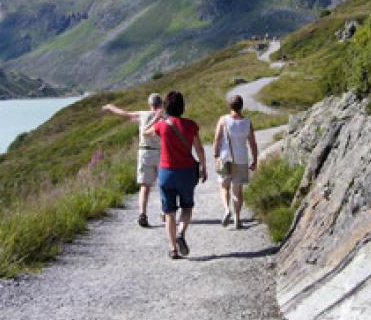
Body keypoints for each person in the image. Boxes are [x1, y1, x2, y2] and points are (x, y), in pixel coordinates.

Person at [144, 91, 207, 259]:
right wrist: (204, 167)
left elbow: (145, 132)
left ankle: (173, 249)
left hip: (166, 173)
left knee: (169, 212)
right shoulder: (191, 125)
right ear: (183, 107)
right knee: (187, 207)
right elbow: (199, 149)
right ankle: (181, 233)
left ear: (166, 107)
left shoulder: (162, 125)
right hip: (186, 172)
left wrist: (158, 117)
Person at [102, 93, 164, 227]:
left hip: (145, 152)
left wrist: (110, 107)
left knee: (145, 186)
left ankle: (143, 214)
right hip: (161, 153)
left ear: (150, 104)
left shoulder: (143, 114)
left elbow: (125, 114)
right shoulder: (165, 116)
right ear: (161, 104)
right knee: (163, 185)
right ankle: (165, 211)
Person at [213, 95, 258, 230]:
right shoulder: (247, 122)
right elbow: (253, 143)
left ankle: (227, 209)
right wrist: (255, 159)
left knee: (224, 186)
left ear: (230, 106)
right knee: (238, 192)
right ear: (241, 106)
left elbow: (217, 139)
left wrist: (215, 155)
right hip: (242, 160)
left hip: (225, 158)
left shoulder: (223, 120)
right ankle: (237, 219)